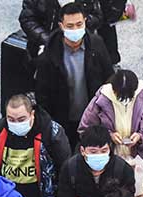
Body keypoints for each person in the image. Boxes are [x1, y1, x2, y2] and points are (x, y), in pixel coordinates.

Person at [0, 93, 71, 197]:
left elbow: (65, 170)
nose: (16, 123)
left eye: (21, 119)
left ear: (32, 114)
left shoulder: (51, 132)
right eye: (11, 119)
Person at [33, 2, 114, 148]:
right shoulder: (49, 55)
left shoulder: (96, 45)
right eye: (70, 26)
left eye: (79, 24)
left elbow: (109, 78)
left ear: (85, 22)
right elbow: (42, 93)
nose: (75, 29)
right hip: (62, 120)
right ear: (61, 25)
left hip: (92, 119)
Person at [78, 69, 143, 183]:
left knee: (140, 195)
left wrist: (142, 137)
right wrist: (108, 136)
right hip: (109, 165)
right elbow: (86, 130)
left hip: (141, 163)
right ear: (113, 89)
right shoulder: (101, 99)